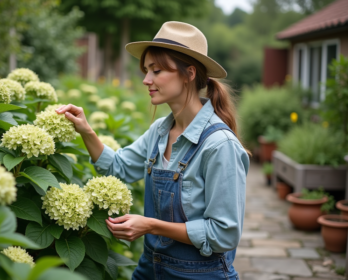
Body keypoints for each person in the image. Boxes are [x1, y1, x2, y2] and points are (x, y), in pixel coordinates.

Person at [56, 21, 250, 280]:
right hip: (150, 268)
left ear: (189, 73)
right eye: (147, 70)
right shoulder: (160, 131)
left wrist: (150, 225)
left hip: (200, 274)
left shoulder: (219, 146)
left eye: (156, 71)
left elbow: (223, 233)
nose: (147, 80)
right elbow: (119, 168)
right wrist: (85, 130)